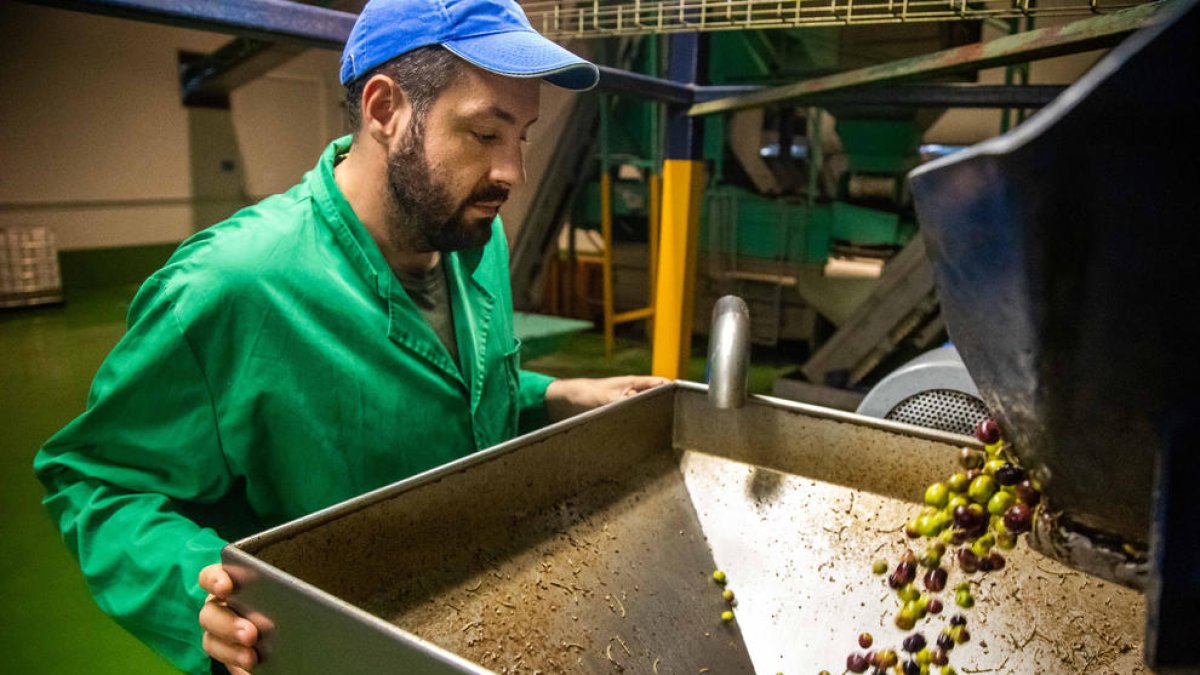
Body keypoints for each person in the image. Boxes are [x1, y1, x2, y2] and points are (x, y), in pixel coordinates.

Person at [32, 0, 666, 672]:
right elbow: (96, 482)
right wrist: (193, 589)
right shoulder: (233, 286)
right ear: (386, 110)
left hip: (473, 617)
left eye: (525, 136)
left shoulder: (473, 237)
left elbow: (452, 385)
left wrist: (553, 393)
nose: (513, 172)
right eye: (486, 133)